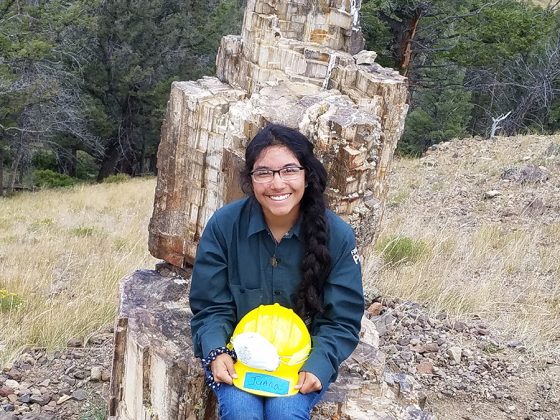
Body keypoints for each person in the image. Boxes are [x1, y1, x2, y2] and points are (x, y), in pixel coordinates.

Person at [189, 123, 364, 420]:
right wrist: (217, 351)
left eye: (289, 170)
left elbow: (341, 320)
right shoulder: (224, 226)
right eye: (264, 173)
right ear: (250, 179)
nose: (277, 183)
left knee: (285, 411)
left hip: (301, 361)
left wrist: (318, 364)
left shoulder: (338, 235)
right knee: (241, 412)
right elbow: (210, 307)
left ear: (306, 175)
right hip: (236, 356)